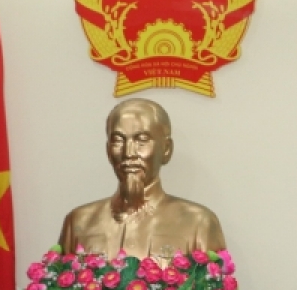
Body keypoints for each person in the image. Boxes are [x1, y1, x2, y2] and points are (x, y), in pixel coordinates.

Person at [58, 98, 226, 260]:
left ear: (166, 149)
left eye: (142, 140)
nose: (128, 153)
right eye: (118, 140)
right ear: (108, 150)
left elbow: (213, 278)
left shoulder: (198, 223)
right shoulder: (79, 222)